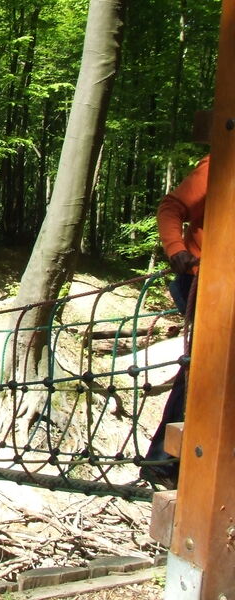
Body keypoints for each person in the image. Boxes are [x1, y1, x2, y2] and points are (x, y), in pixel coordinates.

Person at [140, 154, 206, 489]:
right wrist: (176, 248)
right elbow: (172, 206)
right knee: (205, 366)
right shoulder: (222, 163)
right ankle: (163, 462)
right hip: (202, 281)